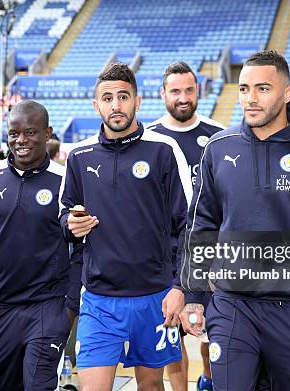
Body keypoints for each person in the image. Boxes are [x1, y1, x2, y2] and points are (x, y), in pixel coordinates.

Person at [179, 50, 290, 391]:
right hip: (232, 306)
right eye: (244, 89)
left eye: (263, 88)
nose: (251, 99)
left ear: (286, 93)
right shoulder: (219, 147)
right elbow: (201, 225)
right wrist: (195, 295)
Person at [59, 62, 192, 391]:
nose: (115, 105)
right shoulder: (79, 156)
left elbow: (186, 225)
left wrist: (179, 287)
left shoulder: (163, 149)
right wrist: (70, 224)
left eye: (123, 96)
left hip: (155, 297)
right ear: (96, 105)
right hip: (99, 300)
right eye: (107, 98)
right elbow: (64, 214)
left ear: (137, 101)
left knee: (151, 386)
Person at [0, 100, 81, 390]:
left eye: (30, 132)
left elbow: (82, 248)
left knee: (38, 385)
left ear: (47, 134)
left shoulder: (66, 181)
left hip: (48, 307)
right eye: (14, 133)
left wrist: (71, 306)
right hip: (0, 308)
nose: (21, 140)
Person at [147, 61, 223, 391]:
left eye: (189, 90)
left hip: (213, 258)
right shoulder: (149, 139)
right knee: (171, 342)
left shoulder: (219, 136)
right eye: (175, 91)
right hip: (166, 262)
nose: (182, 97)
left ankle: (209, 378)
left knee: (217, 335)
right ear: (162, 94)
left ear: (198, 92)